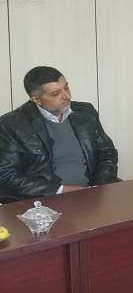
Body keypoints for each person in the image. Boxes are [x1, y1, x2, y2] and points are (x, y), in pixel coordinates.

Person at [0, 66, 118, 200]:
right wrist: (59, 190)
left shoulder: (85, 112)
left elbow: (107, 152)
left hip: (92, 195)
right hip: (44, 202)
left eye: (66, 87)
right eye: (55, 93)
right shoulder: (11, 124)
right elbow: (5, 174)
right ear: (37, 100)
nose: (66, 96)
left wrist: (98, 187)